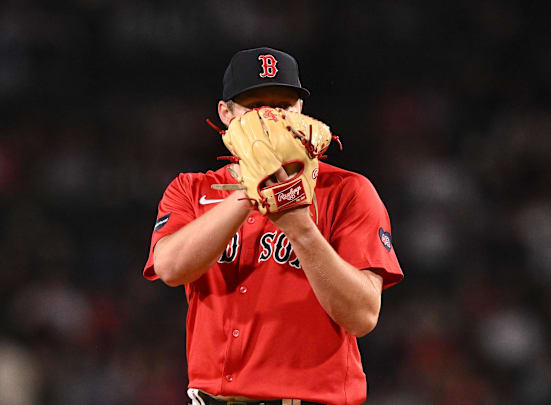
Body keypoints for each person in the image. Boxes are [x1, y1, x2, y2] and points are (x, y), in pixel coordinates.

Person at [143, 47, 403, 405]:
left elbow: (363, 316)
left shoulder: (347, 191)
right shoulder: (191, 189)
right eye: (255, 105)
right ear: (225, 113)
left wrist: (301, 230)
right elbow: (170, 268)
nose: (270, 117)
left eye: (282, 105)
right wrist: (251, 192)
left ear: (300, 111)